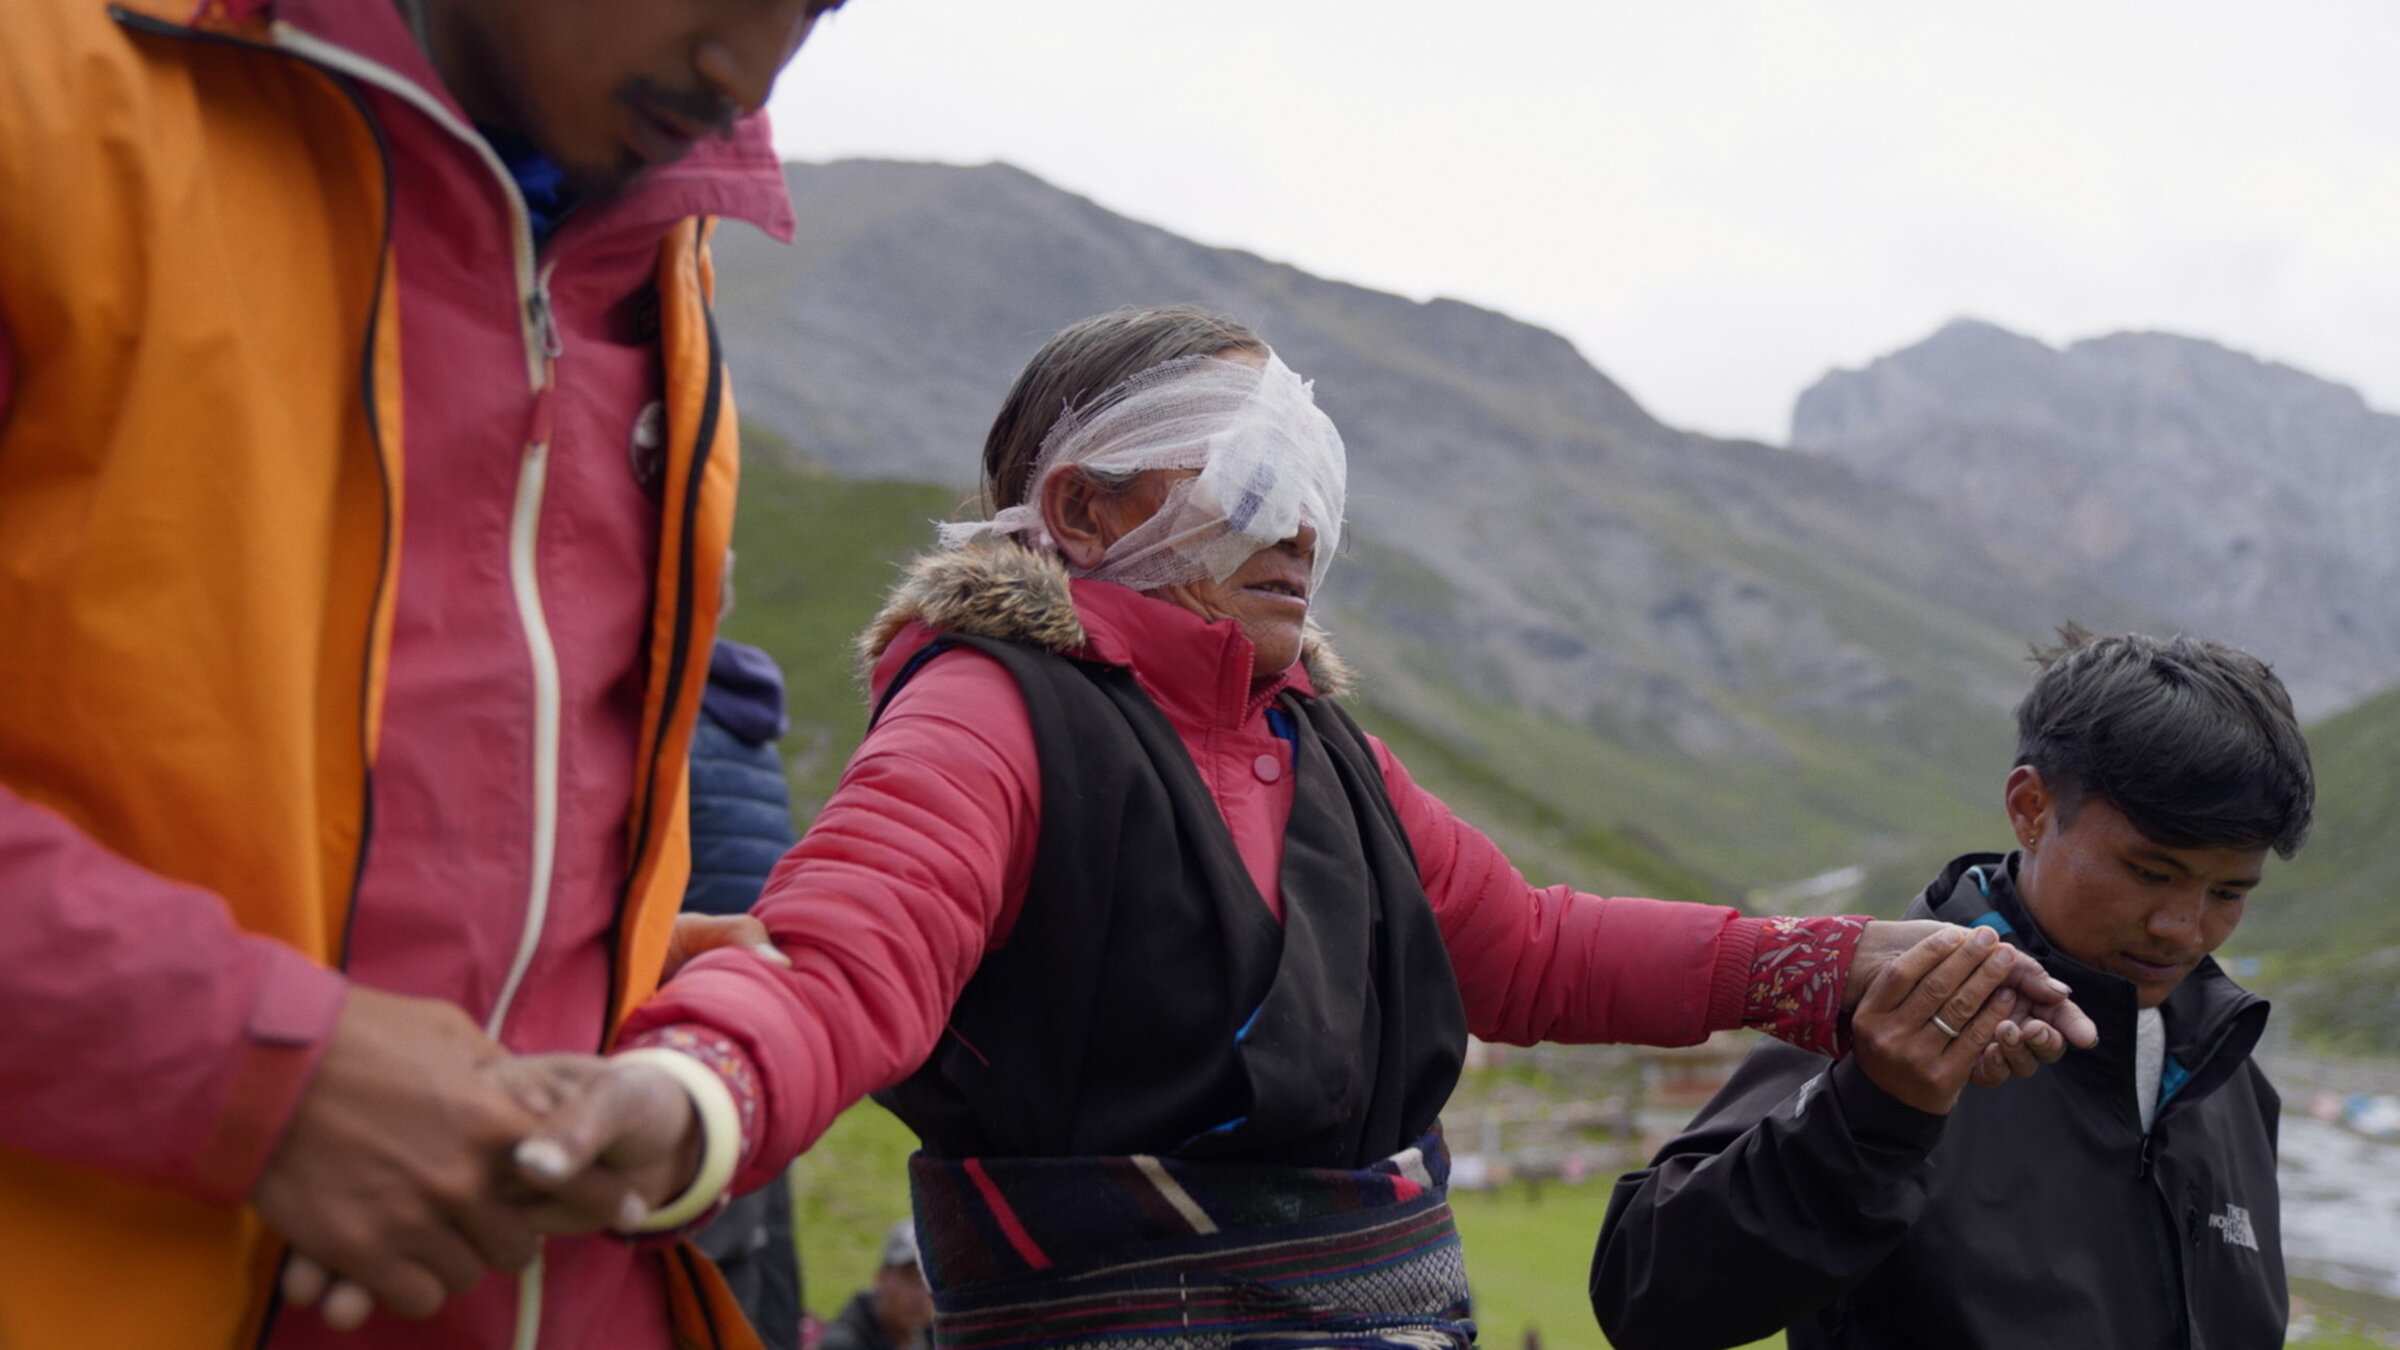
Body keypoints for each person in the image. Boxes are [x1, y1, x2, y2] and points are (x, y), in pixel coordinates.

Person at [514, 306, 2096, 1347]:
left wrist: (1837, 964)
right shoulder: (992, 708)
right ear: (1079, 512)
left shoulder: (1316, 743)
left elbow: (1530, 947)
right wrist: (698, 1084)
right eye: (1253, 474)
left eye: (1315, 476)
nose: (1305, 525)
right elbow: (851, 946)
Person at [0, 0, 840, 1346]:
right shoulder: (49, 93)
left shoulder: (665, 280)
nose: (749, 71)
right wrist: (250, 1067)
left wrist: (649, 1005)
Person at [1591, 626, 2314, 1350]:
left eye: (2228, 891)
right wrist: (1873, 1112)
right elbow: (1643, 1292)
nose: (2182, 927)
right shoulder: (1889, 1008)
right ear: (2030, 808)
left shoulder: (2229, 1072)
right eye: (2150, 873)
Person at [686, 639, 810, 1350]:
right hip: (763, 996)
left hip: (686, 997)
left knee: (708, 1230)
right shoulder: (747, 720)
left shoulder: (673, 716)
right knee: (766, 1230)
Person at [818, 1222, 931, 1350]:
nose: (919, 1293)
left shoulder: (935, 1334)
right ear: (881, 1278)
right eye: (909, 1277)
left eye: (929, 1281)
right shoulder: (844, 1344)